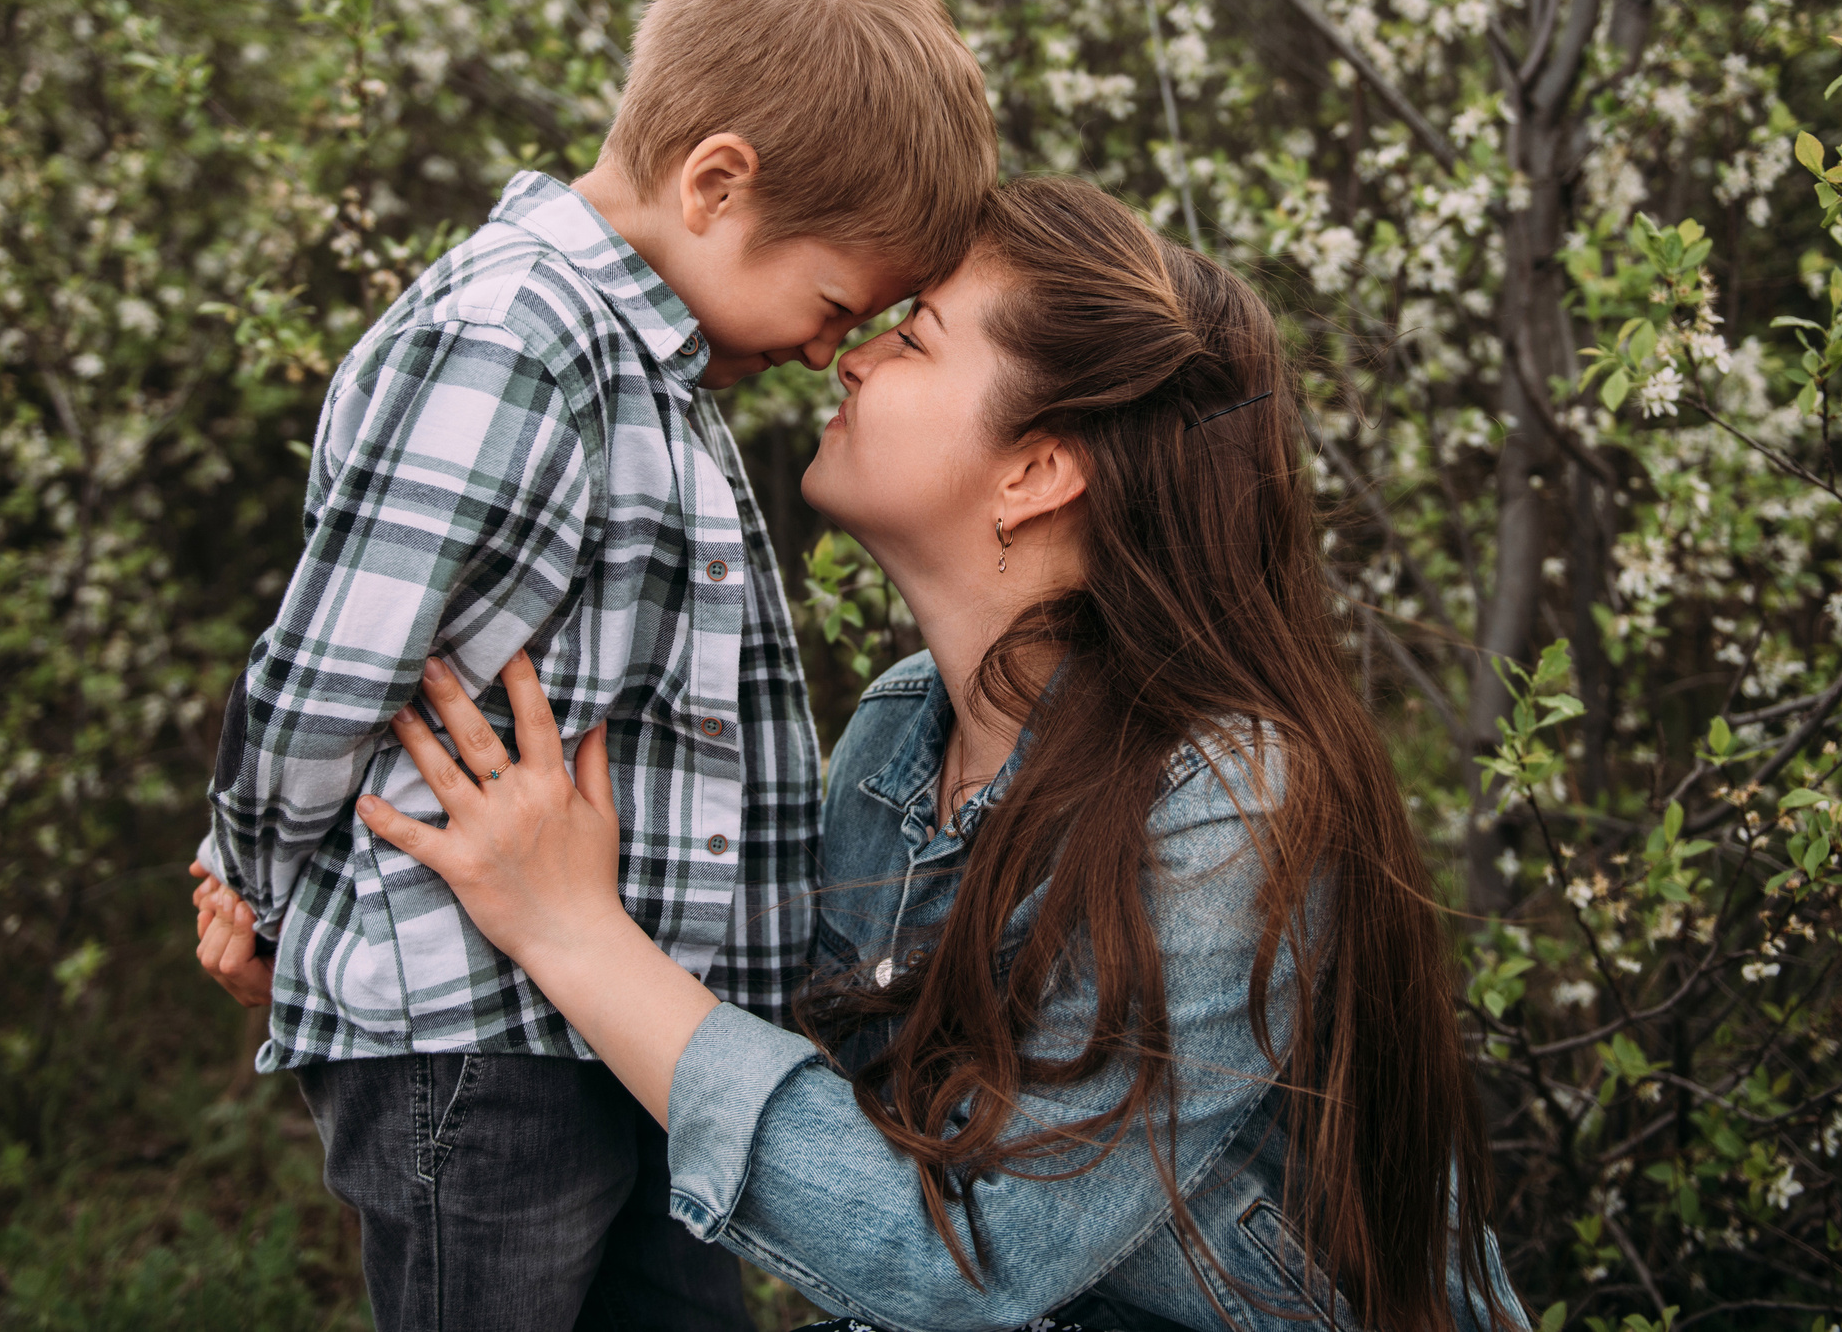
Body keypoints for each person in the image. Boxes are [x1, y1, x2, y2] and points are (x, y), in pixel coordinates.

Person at [350, 176, 1529, 1332]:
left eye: (913, 339)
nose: (849, 358)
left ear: (1035, 472)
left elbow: (971, 1264)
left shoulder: (1225, 807)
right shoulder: (899, 733)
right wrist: (343, 923)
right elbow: (796, 1081)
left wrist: (570, 930)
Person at [185, 0, 998, 1332]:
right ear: (716, 182)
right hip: (472, 1035)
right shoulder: (514, 337)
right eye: (828, 303)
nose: (826, 350)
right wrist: (251, 876)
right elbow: (329, 661)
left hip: (614, 1022)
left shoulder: (642, 366)